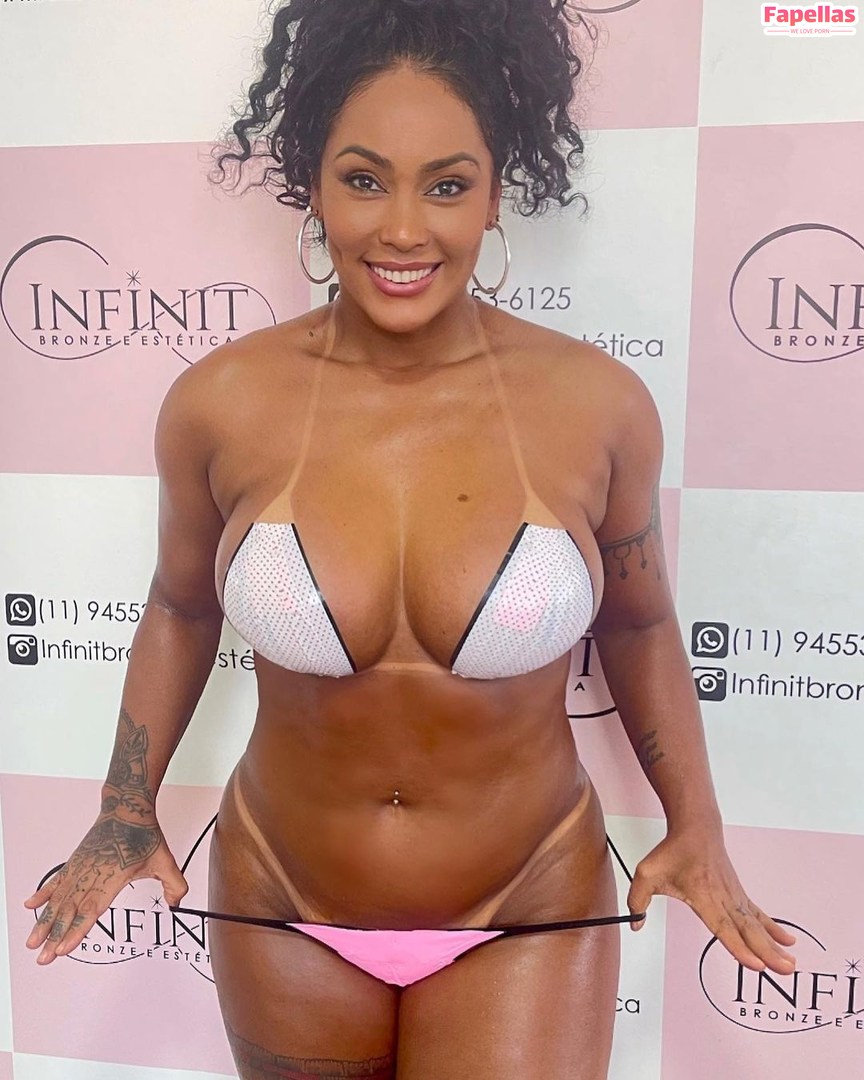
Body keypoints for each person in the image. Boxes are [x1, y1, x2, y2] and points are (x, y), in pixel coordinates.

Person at [23, 1, 797, 1077]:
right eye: (363, 179)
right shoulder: (220, 404)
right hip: (281, 899)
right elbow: (182, 604)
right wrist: (124, 803)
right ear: (313, 183)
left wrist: (695, 823)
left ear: (495, 195)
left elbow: (642, 623)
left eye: (446, 185)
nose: (401, 230)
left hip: (527, 900)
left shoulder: (597, 407)